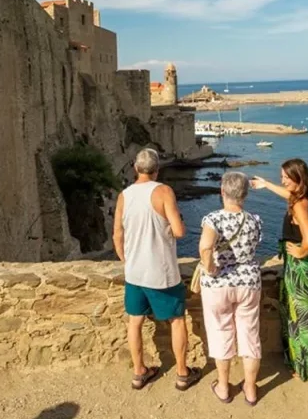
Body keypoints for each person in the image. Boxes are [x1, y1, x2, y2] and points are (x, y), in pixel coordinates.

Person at [113, 148, 202, 391]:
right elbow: (179, 231)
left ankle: (139, 372)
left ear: (135, 168)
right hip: (161, 271)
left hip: (134, 273)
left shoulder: (124, 195)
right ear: (157, 169)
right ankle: (183, 373)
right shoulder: (163, 191)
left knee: (135, 322)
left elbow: (117, 234)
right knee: (176, 320)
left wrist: (126, 260)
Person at [251, 158, 308, 381]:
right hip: (300, 266)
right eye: (281, 176)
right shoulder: (302, 196)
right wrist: (266, 184)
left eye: (285, 177)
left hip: (301, 268)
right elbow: (289, 196)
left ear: (298, 177)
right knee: (300, 314)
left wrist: (300, 252)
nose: (282, 180)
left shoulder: (300, 204)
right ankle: (303, 364)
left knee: (303, 316)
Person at [199, 171, 264, 405]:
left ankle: (224, 388)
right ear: (245, 195)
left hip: (219, 286)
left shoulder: (213, 219)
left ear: (222, 192)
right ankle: (250, 389)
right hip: (249, 282)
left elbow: (206, 248)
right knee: (250, 336)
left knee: (221, 333)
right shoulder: (255, 220)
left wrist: (210, 269)